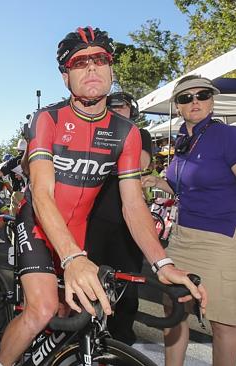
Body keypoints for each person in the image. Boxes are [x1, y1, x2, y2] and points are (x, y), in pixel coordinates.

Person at [0, 27, 205, 366]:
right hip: (37, 222)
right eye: (80, 63)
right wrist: (72, 258)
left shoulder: (127, 133)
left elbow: (133, 203)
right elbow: (43, 193)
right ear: (66, 77)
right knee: (43, 309)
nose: (91, 68)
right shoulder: (47, 119)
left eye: (99, 59)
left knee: (81, 311)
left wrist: (162, 262)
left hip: (78, 229)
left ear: (111, 69)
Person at [141, 75, 236, 366]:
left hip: (224, 241)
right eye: (186, 98)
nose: (195, 102)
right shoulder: (184, 142)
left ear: (212, 100)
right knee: (175, 312)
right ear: (178, 106)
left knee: (223, 323)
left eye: (202, 95)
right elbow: (188, 185)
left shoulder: (229, 136)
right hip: (182, 239)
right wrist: (158, 182)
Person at [85, 91, 152, 345]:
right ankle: (85, 339)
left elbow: (141, 162)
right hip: (92, 219)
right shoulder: (91, 131)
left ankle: (121, 341)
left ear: (131, 111)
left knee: (127, 286)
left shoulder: (139, 134)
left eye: (121, 107)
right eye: (110, 106)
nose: (115, 111)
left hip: (128, 222)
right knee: (89, 282)